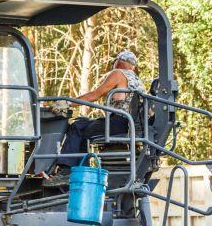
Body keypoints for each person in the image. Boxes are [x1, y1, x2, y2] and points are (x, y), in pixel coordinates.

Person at [45, 49, 146, 186]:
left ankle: (66, 172)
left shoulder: (118, 73)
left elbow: (94, 95)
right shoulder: (137, 81)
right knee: (85, 125)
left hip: (118, 122)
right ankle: (80, 169)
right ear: (132, 66)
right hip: (131, 124)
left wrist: (67, 103)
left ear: (117, 62)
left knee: (78, 126)